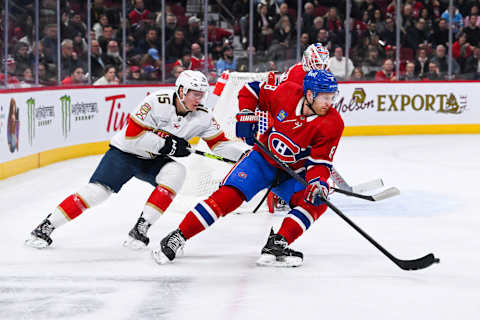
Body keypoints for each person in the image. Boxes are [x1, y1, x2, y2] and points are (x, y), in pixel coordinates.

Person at [26, 70, 247, 250]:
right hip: (124, 153)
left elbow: (220, 145)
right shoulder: (156, 101)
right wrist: (168, 145)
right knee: (98, 193)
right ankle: (45, 226)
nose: (199, 99)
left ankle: (141, 228)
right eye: (194, 94)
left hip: (152, 160)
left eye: (202, 94)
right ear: (181, 90)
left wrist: (245, 155)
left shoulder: (203, 116)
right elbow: (133, 134)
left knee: (176, 172)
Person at [152, 69, 344, 268]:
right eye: (325, 97)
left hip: (291, 173)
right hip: (261, 161)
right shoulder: (286, 91)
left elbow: (320, 162)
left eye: (332, 97)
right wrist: (246, 114)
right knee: (227, 197)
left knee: (317, 201)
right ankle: (177, 237)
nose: (329, 103)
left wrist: (317, 183)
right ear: (310, 94)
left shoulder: (333, 123)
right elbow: (250, 91)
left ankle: (277, 243)